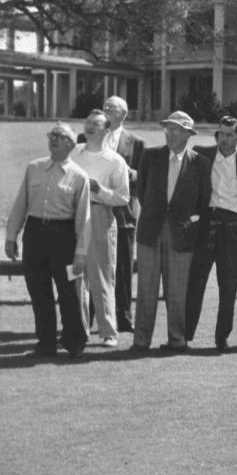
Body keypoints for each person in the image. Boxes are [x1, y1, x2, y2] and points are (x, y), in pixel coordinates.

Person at [185, 116, 237, 350]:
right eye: (221, 133)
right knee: (196, 281)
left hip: (235, 228)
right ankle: (185, 334)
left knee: (229, 284)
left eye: (230, 135)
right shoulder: (201, 153)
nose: (224, 139)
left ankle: (222, 337)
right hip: (207, 223)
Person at [5, 122, 90, 358]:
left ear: (70, 144)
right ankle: (46, 342)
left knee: (70, 291)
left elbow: (84, 218)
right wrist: (11, 237)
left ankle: (74, 341)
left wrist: (81, 252)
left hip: (64, 238)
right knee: (38, 290)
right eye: (51, 134)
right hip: (35, 235)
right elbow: (20, 204)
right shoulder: (34, 168)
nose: (53, 139)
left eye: (60, 136)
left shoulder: (79, 177)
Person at [132, 112, 212, 352]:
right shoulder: (150, 155)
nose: (170, 133)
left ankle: (177, 340)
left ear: (188, 134)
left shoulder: (200, 163)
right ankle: (141, 341)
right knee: (146, 289)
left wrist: (184, 221)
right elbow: (142, 192)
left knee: (177, 291)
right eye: (167, 128)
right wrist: (156, 215)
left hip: (181, 234)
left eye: (176, 129)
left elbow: (203, 200)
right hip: (149, 230)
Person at [71, 109, 130, 347]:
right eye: (87, 122)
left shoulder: (115, 161)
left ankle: (108, 332)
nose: (89, 127)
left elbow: (123, 198)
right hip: (72, 218)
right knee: (75, 275)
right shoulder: (74, 154)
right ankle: (78, 329)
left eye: (95, 123)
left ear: (107, 130)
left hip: (99, 217)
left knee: (102, 276)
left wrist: (99, 190)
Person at [101, 95, 144, 332]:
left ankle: (124, 317)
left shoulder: (136, 142)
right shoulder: (89, 137)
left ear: (124, 114)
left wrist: (130, 174)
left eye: (113, 107)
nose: (107, 109)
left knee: (124, 265)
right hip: (94, 209)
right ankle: (93, 315)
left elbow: (144, 177)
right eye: (105, 105)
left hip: (124, 212)